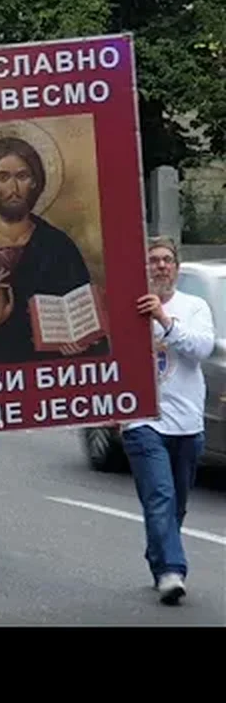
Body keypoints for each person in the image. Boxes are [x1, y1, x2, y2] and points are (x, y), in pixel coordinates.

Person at [0, 134, 104, 368]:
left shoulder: (58, 246)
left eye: (22, 176)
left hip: (51, 375)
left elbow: (89, 328)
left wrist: (81, 342)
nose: (14, 189)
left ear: (35, 182)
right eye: (2, 177)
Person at [125, 236, 215, 605]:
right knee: (160, 496)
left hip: (187, 423)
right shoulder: (127, 308)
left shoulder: (194, 306)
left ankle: (159, 552)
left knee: (175, 504)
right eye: (153, 260)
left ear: (176, 268)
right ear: (143, 268)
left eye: (167, 260)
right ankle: (171, 571)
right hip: (143, 422)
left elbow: (201, 349)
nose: (161, 266)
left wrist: (163, 319)